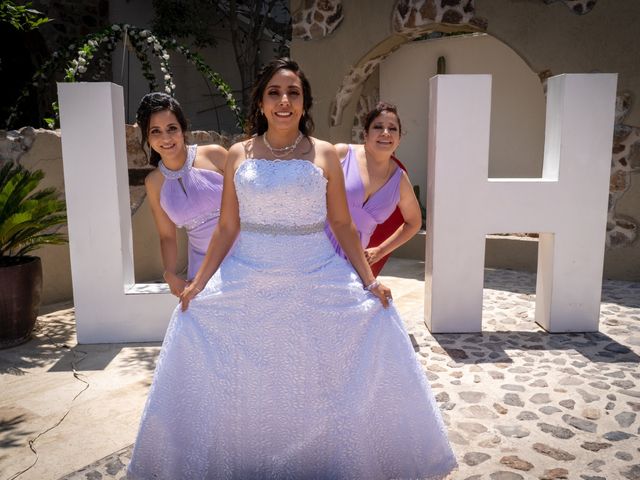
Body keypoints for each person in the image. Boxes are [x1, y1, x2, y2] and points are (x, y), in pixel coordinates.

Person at [127, 58, 457, 480]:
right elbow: (228, 227)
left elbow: (340, 223)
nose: (284, 101)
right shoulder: (236, 154)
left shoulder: (324, 153)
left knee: (351, 341)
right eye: (275, 93)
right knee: (213, 341)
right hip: (248, 269)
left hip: (315, 267)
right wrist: (199, 283)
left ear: (304, 103)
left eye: (293, 93)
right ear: (261, 103)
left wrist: (369, 280)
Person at [136, 92, 226, 296]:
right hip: (201, 266)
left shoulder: (214, 154)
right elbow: (167, 236)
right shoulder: (154, 183)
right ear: (148, 138)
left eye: (172, 128)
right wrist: (169, 274)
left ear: (183, 128)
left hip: (241, 254)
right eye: (155, 131)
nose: (165, 138)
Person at [326, 102, 422, 277]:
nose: (385, 132)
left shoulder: (399, 180)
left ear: (399, 139)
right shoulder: (341, 154)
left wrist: (380, 250)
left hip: (354, 263)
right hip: (318, 249)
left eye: (392, 129)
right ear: (365, 134)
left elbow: (414, 223)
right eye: (378, 126)